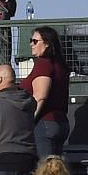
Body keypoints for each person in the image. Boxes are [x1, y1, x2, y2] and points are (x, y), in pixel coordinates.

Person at [23, 27, 71, 163]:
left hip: (44, 124)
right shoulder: (60, 66)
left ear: (47, 43)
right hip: (59, 123)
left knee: (44, 172)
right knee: (55, 172)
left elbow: (40, 96)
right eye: (30, 40)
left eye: (35, 41)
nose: (31, 44)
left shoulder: (44, 64)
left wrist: (28, 122)